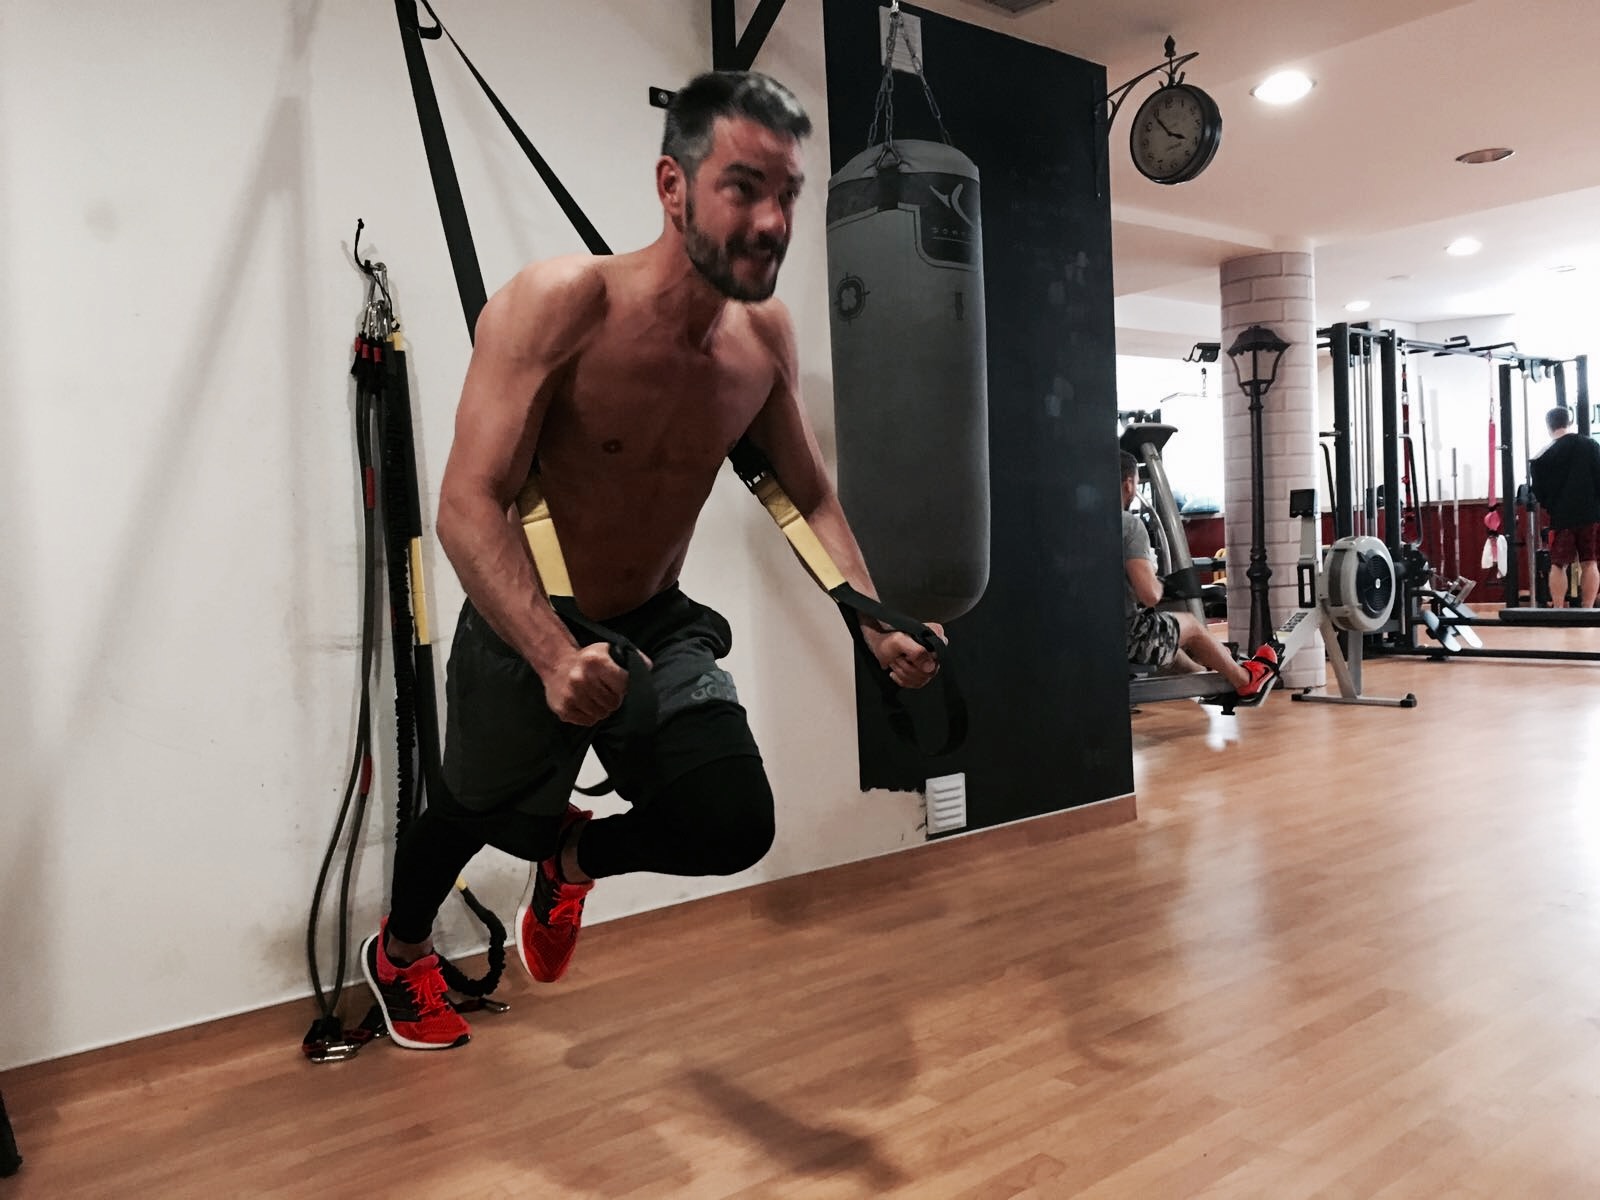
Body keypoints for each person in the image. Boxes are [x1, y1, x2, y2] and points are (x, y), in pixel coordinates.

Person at [360, 71, 945, 1050]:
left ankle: (569, 864)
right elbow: (467, 505)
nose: (773, 221)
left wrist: (871, 618)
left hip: (655, 623)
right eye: (744, 188)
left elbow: (804, 496)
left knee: (730, 823)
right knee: (466, 813)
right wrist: (552, 656)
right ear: (673, 186)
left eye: (788, 194)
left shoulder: (761, 338)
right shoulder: (561, 304)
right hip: (528, 620)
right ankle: (401, 950)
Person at [1121, 451, 1276, 700]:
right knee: (1191, 625)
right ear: (1129, 484)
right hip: (1125, 637)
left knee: (1166, 634)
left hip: (1084, 632)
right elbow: (1149, 595)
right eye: (1136, 484)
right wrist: (1162, 586)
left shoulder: (1077, 525)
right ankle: (1246, 680)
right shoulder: (1128, 525)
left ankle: (1206, 680)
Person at [1529, 406, 1600, 607]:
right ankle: (1588, 609)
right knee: (1590, 561)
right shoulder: (1591, 445)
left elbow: (1539, 492)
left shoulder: (1542, 456)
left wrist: (1553, 506)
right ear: (1569, 421)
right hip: (1590, 514)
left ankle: (1558, 609)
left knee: (1558, 564)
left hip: (1562, 517)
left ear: (1548, 426)